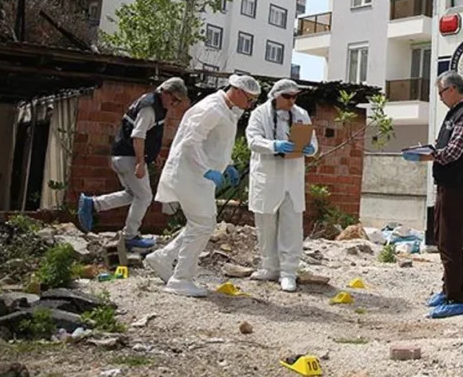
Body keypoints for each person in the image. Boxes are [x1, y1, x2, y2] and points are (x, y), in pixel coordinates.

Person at [142, 74, 261, 297]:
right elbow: (191, 142)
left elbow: (217, 144)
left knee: (200, 222)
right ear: (236, 91)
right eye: (250, 99)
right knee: (204, 224)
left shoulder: (226, 109)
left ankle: (163, 258)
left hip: (199, 177)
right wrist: (206, 169)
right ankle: (180, 279)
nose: (250, 105)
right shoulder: (212, 108)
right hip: (190, 174)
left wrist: (228, 166)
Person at [76, 77, 188, 249]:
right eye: (174, 99)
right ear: (164, 92)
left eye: (178, 101)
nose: (174, 104)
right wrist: (140, 162)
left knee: (132, 194)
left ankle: (93, 204)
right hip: (129, 157)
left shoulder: (153, 104)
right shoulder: (150, 108)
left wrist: (153, 154)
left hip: (122, 156)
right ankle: (130, 236)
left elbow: (148, 135)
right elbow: (138, 135)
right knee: (144, 197)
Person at [408, 70, 463, 319]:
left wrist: (427, 156)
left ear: (452, 89)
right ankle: (447, 290)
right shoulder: (454, 114)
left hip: (458, 185)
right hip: (446, 184)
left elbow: (452, 152)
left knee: (451, 241)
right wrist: (429, 149)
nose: (439, 97)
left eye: (441, 92)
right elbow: (445, 147)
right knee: (442, 238)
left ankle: (457, 299)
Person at [245, 79, 318, 292]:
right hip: (268, 176)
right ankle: (269, 267)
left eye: (295, 96)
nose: (291, 101)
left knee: (291, 225)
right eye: (287, 96)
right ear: (275, 95)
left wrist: (309, 149)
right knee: (265, 223)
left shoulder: (301, 114)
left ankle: (288, 272)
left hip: (292, 176)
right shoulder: (260, 114)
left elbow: (313, 143)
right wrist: (274, 145)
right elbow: (253, 140)